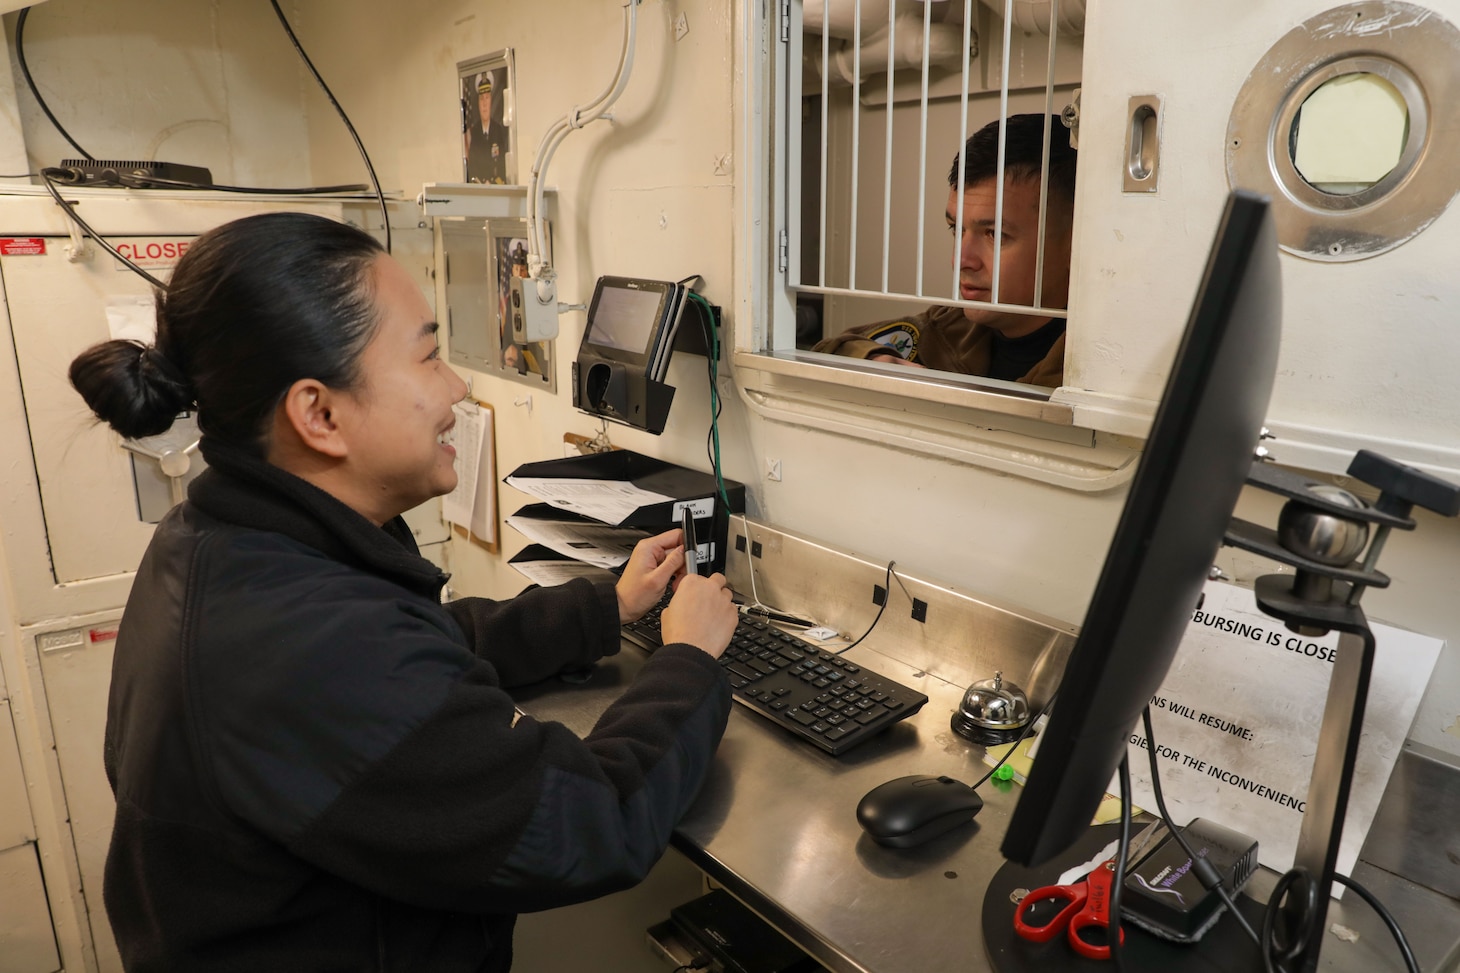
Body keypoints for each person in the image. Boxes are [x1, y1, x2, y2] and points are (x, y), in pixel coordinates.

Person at [68, 212, 739, 972]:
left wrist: (604, 607)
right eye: (427, 359)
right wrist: (687, 659)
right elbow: (587, 822)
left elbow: (418, 652)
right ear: (319, 414)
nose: (455, 386)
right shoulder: (309, 641)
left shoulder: (223, 540)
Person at [813, 113, 1076, 387]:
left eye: (995, 234)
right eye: (957, 229)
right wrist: (877, 359)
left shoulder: (1095, 373)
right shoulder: (951, 327)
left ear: (1075, 245)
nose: (961, 260)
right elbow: (830, 350)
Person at [466, 70, 510, 185]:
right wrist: (480, 183)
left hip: (496, 187)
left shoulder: (498, 130)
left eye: (487, 98)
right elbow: (472, 168)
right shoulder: (474, 132)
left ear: (491, 101)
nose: (484, 104)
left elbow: (502, 165)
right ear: (478, 104)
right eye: (481, 99)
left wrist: (493, 183)